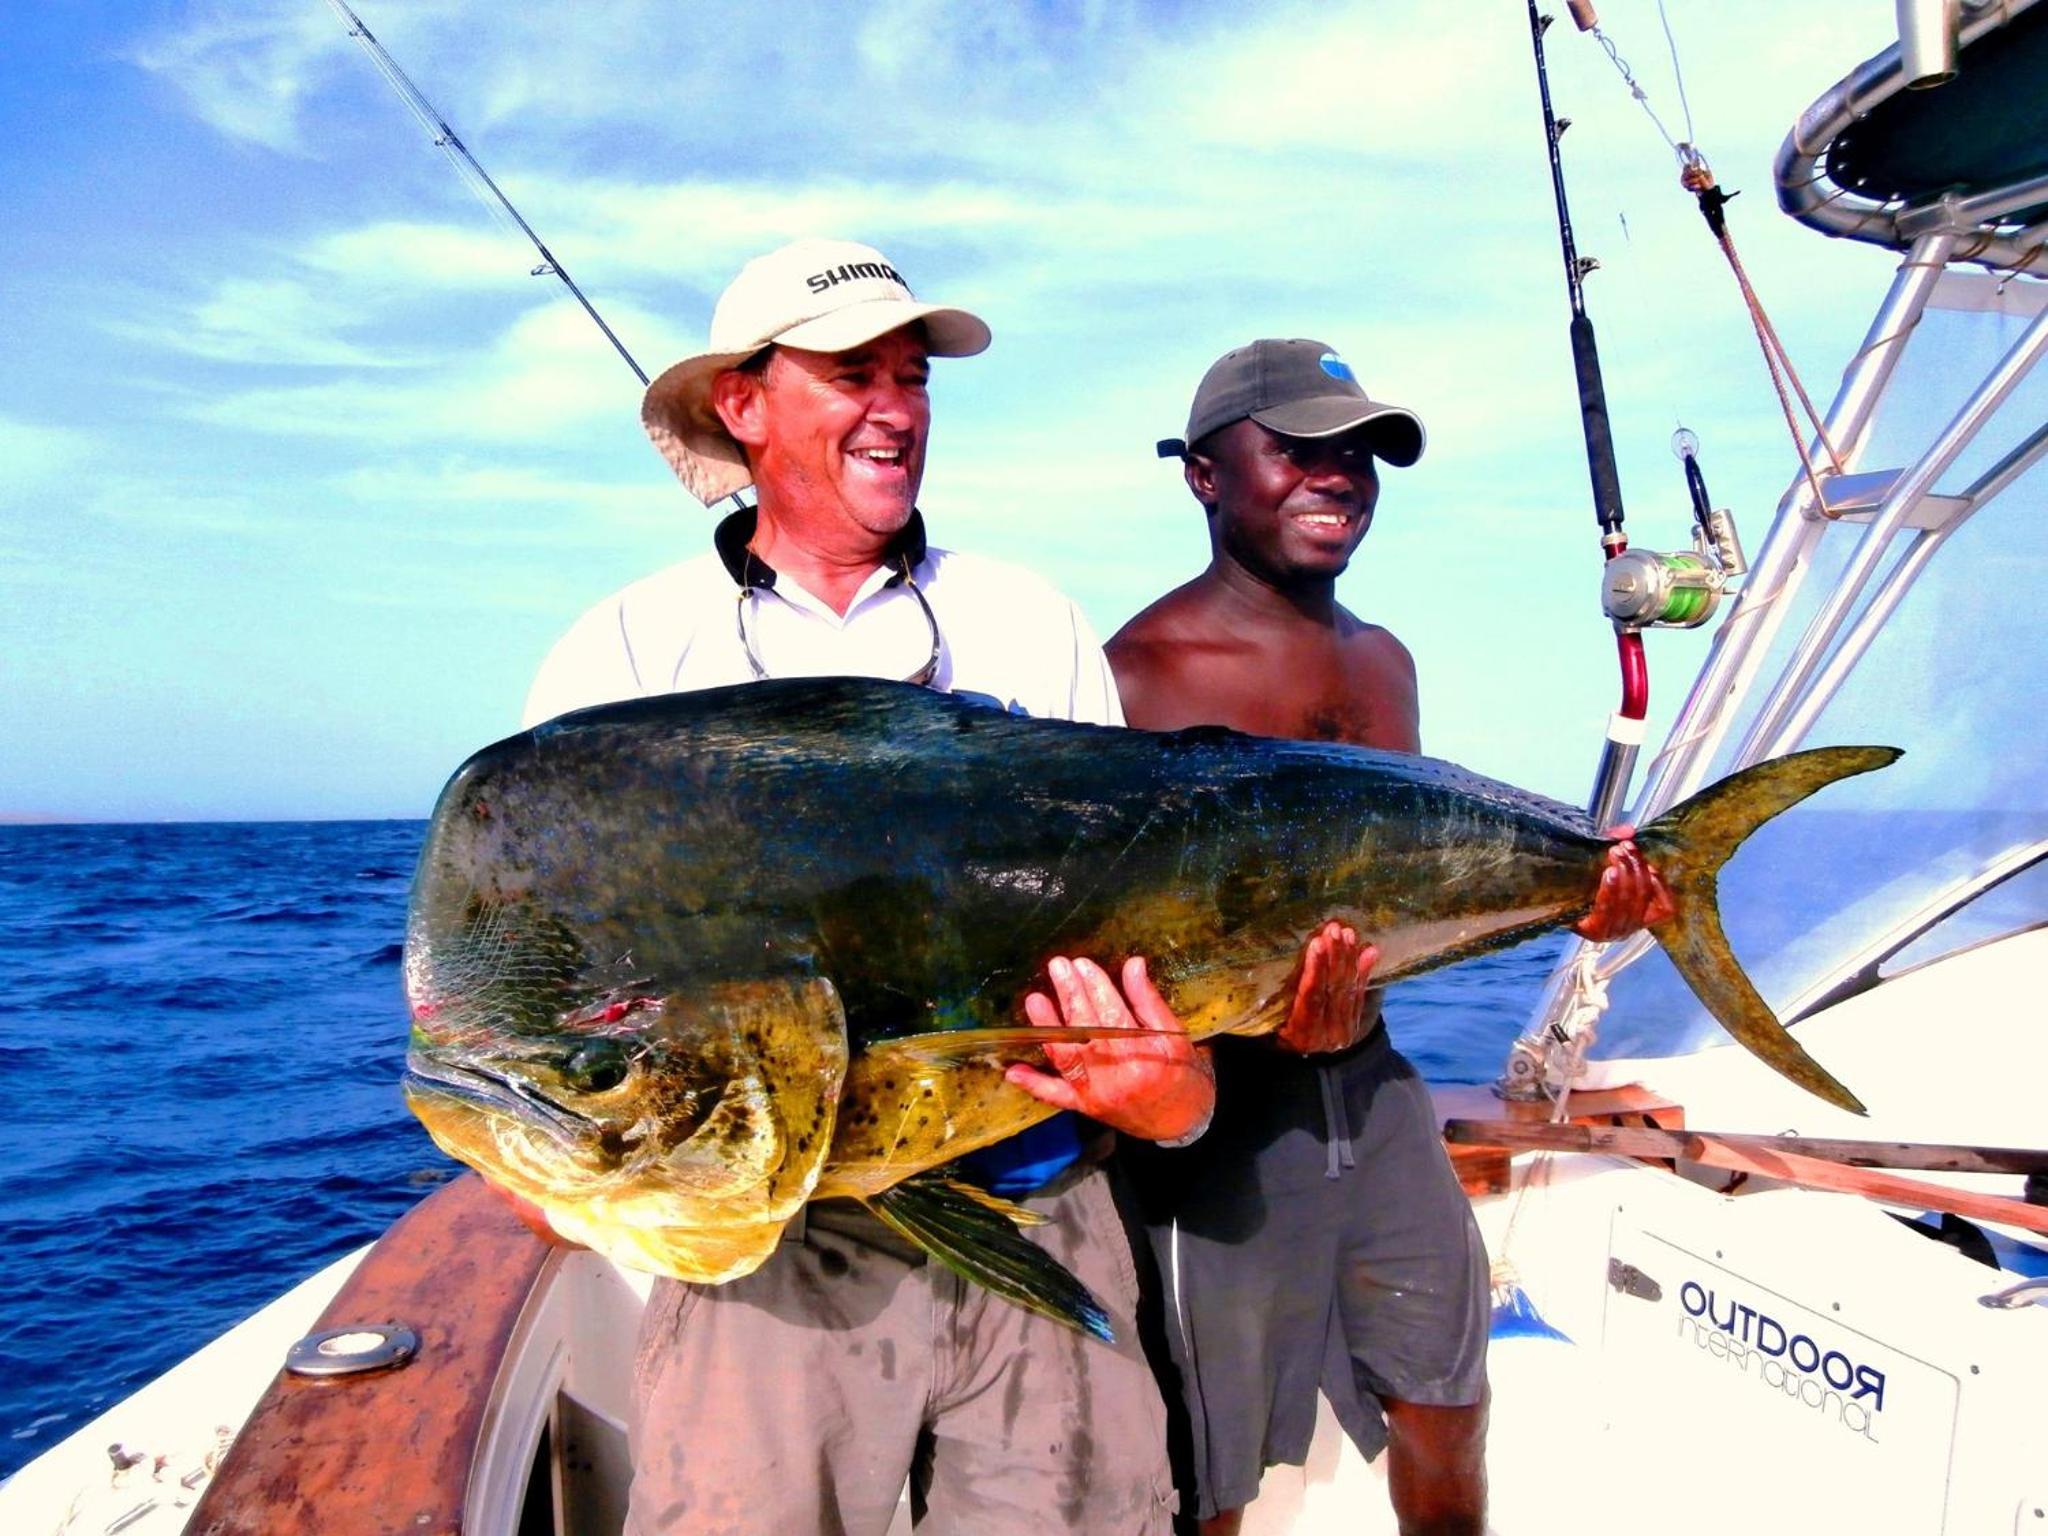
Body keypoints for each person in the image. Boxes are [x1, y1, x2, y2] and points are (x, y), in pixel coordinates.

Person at [521, 237, 1210, 1536]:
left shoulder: (1030, 620)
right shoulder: (624, 650)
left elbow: (1125, 919)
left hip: (1036, 1212)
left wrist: (1173, 1093)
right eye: (852, 374)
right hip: (771, 1258)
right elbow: (562, 973)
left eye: (914, 377)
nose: (897, 407)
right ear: (743, 404)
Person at [1109, 338, 1671, 1536]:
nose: (1336, 476)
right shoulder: (1130, 675)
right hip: (1214, 1124)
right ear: (1203, 475)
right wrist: (1257, 1024)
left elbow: (1419, 895)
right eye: (1295, 450)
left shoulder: (1384, 659)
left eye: (1358, 456)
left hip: (1372, 1085)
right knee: (1209, 1467)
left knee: (1445, 1399)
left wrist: (1584, 890)